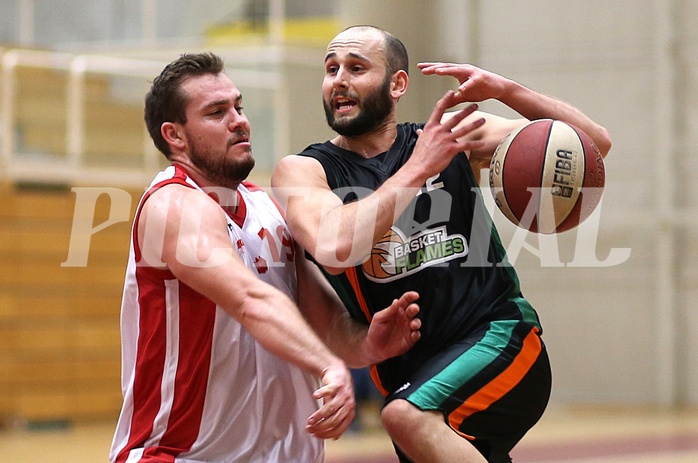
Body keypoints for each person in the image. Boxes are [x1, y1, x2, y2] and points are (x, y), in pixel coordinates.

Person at [271, 25, 612, 463]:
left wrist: (507, 90)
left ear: (397, 84)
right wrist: (419, 168)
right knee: (409, 417)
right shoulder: (304, 170)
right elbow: (336, 249)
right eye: (331, 68)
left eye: (356, 68)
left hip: (499, 338)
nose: (339, 79)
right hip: (412, 376)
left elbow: (593, 147)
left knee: (405, 417)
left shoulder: (449, 137)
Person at [109, 52, 421, 463]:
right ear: (175, 136)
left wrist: (366, 345)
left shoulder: (267, 208)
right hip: (179, 455)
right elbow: (249, 300)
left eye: (238, 106)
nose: (239, 120)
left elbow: (319, 322)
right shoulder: (173, 204)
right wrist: (329, 366)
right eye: (216, 112)